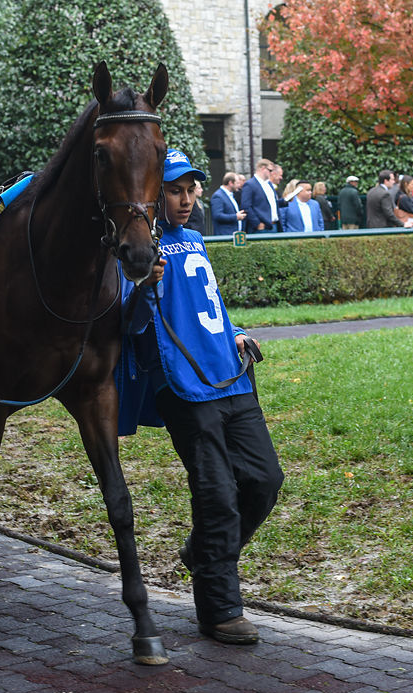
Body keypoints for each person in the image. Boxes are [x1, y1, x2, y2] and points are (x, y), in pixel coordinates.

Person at [117, 148, 283, 645]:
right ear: (154, 195)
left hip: (231, 376)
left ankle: (203, 552)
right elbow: (128, 327)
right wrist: (143, 288)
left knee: (264, 481)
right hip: (182, 389)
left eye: (191, 190)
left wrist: (234, 333)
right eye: (174, 190)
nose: (186, 200)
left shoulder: (194, 240)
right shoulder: (137, 250)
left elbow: (211, 304)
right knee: (217, 496)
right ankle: (219, 609)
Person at [241, 159, 279, 234]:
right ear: (263, 168)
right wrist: (257, 223)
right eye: (270, 170)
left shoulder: (269, 184)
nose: (272, 173)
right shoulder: (250, 184)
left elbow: (270, 203)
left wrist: (285, 201)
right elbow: (246, 206)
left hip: (274, 224)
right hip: (262, 228)